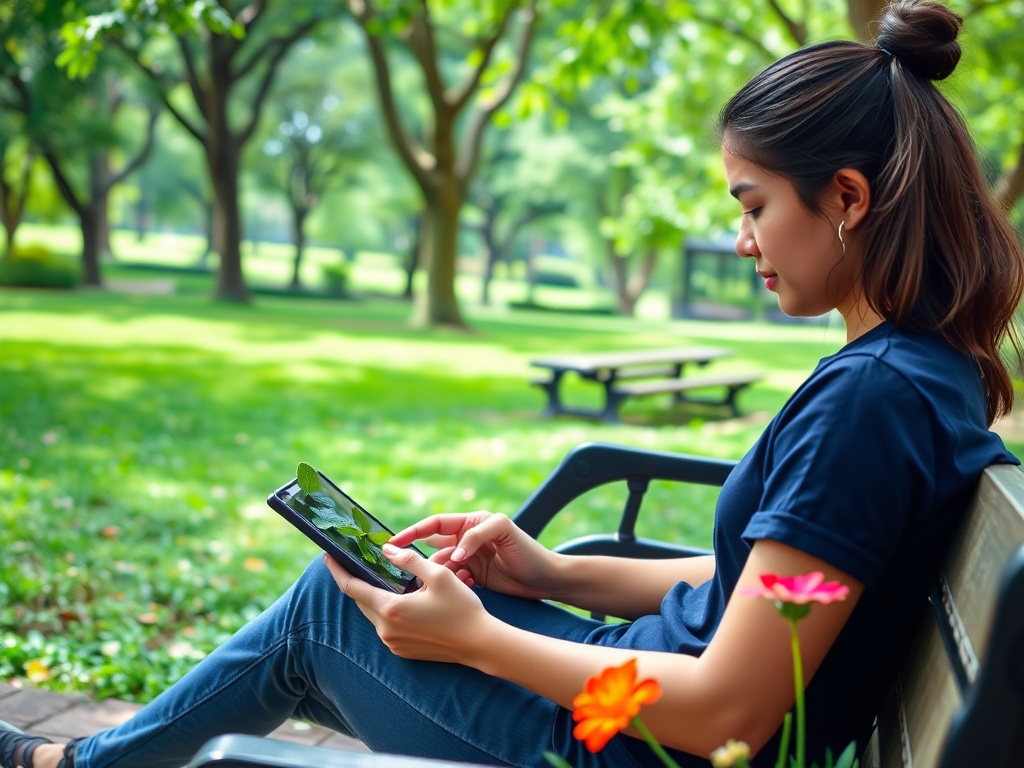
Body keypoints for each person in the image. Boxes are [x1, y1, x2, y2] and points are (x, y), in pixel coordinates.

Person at [3, 1, 1023, 766]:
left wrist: (483, 639)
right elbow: (755, 593)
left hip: (624, 736)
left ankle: (72, 764)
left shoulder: (870, 401)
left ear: (845, 198)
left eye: (752, 205)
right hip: (633, 691)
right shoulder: (917, 376)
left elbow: (728, 708)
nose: (741, 237)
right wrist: (547, 575)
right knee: (345, 604)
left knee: (328, 611)